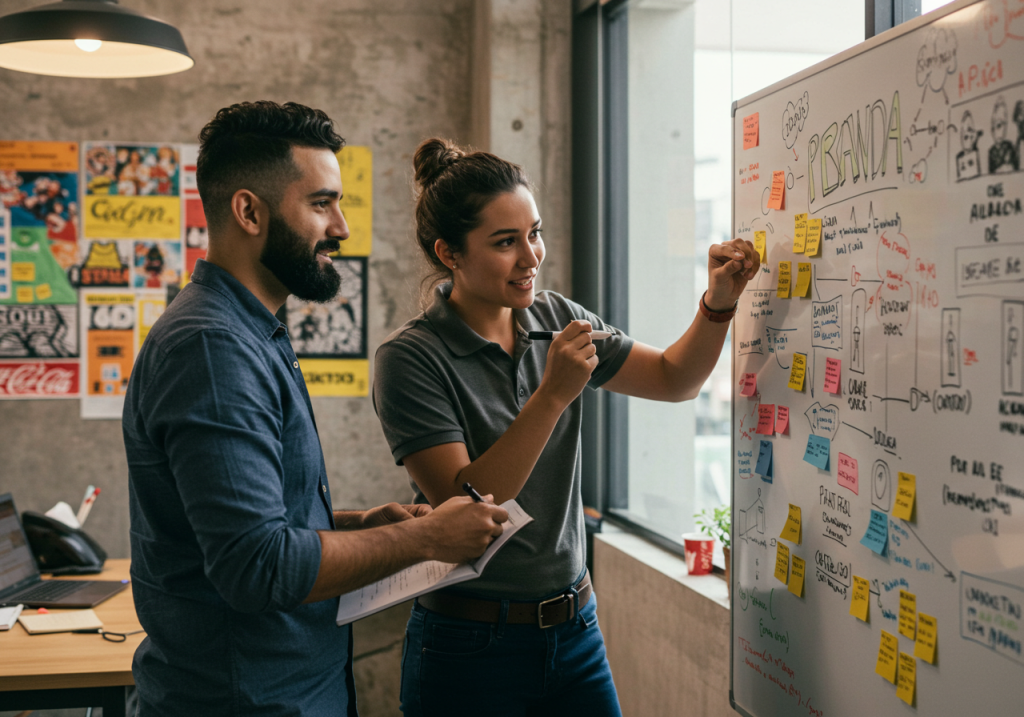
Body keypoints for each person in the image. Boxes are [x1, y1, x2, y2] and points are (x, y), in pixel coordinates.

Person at [122, 103, 509, 717]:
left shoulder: (250, 331)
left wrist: (363, 525)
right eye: (322, 203)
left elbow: (255, 524)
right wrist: (421, 536)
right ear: (249, 211)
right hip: (244, 701)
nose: (342, 227)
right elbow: (257, 566)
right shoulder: (212, 347)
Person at [372, 138, 759, 716]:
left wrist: (719, 302)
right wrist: (553, 395)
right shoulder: (410, 359)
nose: (532, 257)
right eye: (506, 242)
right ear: (449, 253)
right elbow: (467, 508)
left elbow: (676, 380)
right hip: (469, 646)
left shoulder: (556, 318)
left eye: (535, 232)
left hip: (575, 629)